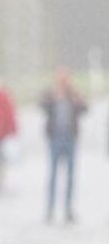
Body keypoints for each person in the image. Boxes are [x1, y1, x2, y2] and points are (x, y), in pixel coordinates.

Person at [41, 68, 84, 224]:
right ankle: (50, 209)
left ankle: (68, 209)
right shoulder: (51, 94)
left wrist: (76, 99)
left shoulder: (73, 95)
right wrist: (53, 97)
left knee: (70, 176)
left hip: (70, 138)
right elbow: (42, 105)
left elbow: (84, 108)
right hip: (55, 139)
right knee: (53, 175)